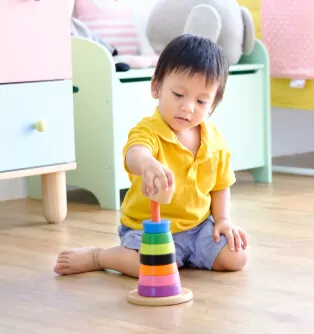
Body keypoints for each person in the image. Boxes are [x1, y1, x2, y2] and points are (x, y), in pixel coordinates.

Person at [53, 34, 248, 277]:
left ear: (213, 104)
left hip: (197, 228)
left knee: (237, 257)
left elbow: (220, 186)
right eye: (178, 95)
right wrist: (147, 165)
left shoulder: (215, 140)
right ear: (156, 87)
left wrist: (223, 220)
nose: (188, 107)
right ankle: (99, 256)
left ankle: (181, 258)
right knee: (149, 266)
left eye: (200, 101)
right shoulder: (149, 130)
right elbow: (135, 153)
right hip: (149, 229)